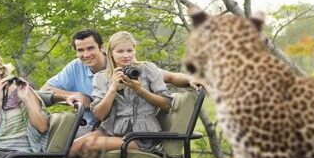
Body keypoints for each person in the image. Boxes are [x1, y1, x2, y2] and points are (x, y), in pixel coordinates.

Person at [41, 29, 200, 131]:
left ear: (103, 49)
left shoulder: (127, 66)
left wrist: (191, 79)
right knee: (56, 137)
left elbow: (169, 77)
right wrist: (72, 95)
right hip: (94, 124)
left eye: (90, 48)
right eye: (80, 50)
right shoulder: (76, 67)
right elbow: (45, 91)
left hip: (125, 127)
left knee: (74, 145)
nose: (86, 54)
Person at [69, 31, 172, 158]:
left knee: (89, 144)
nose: (126, 56)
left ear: (134, 50)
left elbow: (166, 104)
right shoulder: (101, 77)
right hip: (111, 129)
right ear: (110, 53)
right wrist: (112, 89)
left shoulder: (148, 69)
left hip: (141, 135)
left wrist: (140, 90)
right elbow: (99, 115)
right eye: (120, 51)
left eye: (129, 51)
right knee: (73, 146)